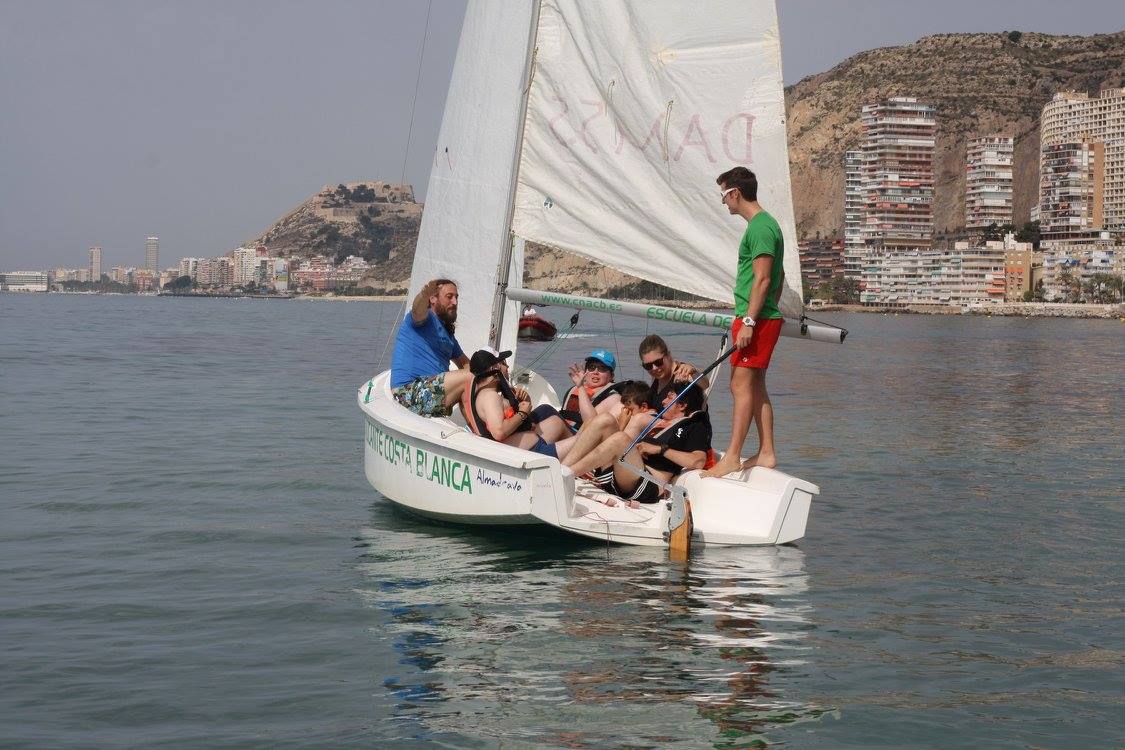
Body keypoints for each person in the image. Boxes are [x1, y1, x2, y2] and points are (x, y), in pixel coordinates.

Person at [703, 166, 785, 477]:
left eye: (723, 195)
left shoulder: (761, 228)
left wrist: (750, 320)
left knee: (739, 385)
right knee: (756, 386)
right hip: (760, 316)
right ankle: (766, 452)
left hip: (756, 319)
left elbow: (763, 280)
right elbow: (777, 280)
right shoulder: (764, 225)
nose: (723, 202)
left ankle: (732, 456)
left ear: (735, 193)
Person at [563, 382, 711, 508]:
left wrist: (661, 449)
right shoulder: (662, 425)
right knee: (605, 419)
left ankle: (566, 474)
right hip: (623, 474)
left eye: (669, 397)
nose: (664, 402)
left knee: (621, 438)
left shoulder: (694, 426)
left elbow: (698, 461)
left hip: (647, 484)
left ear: (682, 405)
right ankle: (562, 468)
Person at [461, 348, 576, 459]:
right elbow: (498, 432)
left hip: (529, 446)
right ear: (494, 368)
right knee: (584, 438)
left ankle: (578, 458)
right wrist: (522, 414)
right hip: (527, 454)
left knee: (554, 419)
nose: (507, 367)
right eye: (502, 364)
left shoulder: (484, 393)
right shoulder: (490, 396)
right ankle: (579, 462)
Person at [389, 278, 473, 417]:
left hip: (431, 395)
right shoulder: (422, 319)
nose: (455, 302)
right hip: (408, 393)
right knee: (471, 377)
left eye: (456, 297)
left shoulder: (448, 336)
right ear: (433, 299)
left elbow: (465, 364)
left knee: (477, 380)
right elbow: (418, 309)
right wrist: (424, 294)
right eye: (449, 297)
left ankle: (479, 434)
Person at [558, 349, 623, 430]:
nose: (595, 372)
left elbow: (590, 424)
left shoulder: (613, 397)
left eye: (602, 368)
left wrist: (581, 387)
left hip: (581, 436)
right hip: (564, 429)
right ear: (586, 371)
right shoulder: (573, 389)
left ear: (611, 376)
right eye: (591, 367)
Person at [638, 334, 709, 408]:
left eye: (658, 362)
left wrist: (694, 372)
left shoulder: (683, 373)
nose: (654, 368)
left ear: (668, 355)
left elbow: (705, 384)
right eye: (648, 366)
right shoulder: (657, 374)